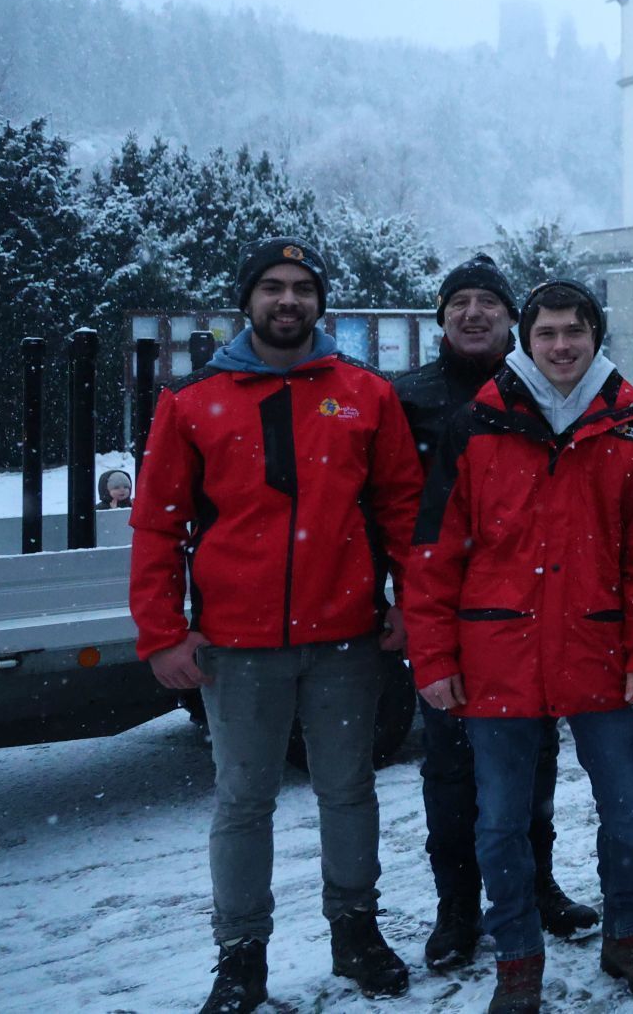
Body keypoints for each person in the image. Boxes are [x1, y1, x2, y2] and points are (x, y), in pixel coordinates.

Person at [130, 238, 420, 1014]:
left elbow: (400, 510)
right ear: (247, 301)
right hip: (237, 645)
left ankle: (355, 930)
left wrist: (408, 604)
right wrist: (163, 631)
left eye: (301, 288)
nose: (287, 300)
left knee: (348, 790)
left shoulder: (364, 394)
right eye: (271, 288)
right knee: (244, 799)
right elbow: (158, 527)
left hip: (347, 639)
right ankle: (240, 955)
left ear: (320, 303)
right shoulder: (194, 402)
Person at [406, 279, 633, 1011]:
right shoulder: (477, 424)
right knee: (499, 820)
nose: (562, 345)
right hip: (499, 653)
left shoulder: (631, 424)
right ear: (527, 338)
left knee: (626, 806)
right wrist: (432, 657)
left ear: (596, 336)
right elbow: (435, 552)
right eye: (548, 331)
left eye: (575, 331)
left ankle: (628, 932)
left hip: (598, 650)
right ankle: (518, 957)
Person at [392, 255, 598, 972]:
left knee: (531, 766)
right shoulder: (408, 397)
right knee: (450, 773)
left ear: (514, 319)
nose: (474, 312)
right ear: (441, 315)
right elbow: (383, 505)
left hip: (525, 617)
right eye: (460, 301)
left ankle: (536, 884)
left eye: (489, 301)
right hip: (444, 608)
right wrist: (402, 604)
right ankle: (457, 909)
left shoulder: (541, 392)